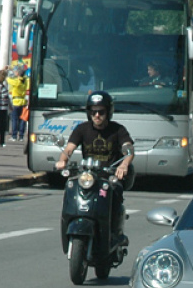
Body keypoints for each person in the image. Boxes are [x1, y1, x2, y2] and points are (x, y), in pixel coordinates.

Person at [55, 91, 134, 244]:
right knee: (71, 186)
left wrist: (124, 164)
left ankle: (116, 233)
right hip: (88, 175)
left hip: (108, 176)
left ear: (108, 112)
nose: (97, 115)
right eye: (93, 112)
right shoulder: (82, 129)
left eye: (101, 112)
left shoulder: (118, 130)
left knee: (116, 190)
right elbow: (69, 149)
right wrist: (62, 160)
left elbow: (128, 148)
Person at [7, 62, 30, 142]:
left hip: (16, 102)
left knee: (14, 119)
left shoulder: (17, 81)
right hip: (23, 101)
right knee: (22, 120)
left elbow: (8, 80)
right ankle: (21, 136)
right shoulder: (25, 80)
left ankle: (14, 136)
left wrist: (8, 71)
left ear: (18, 73)